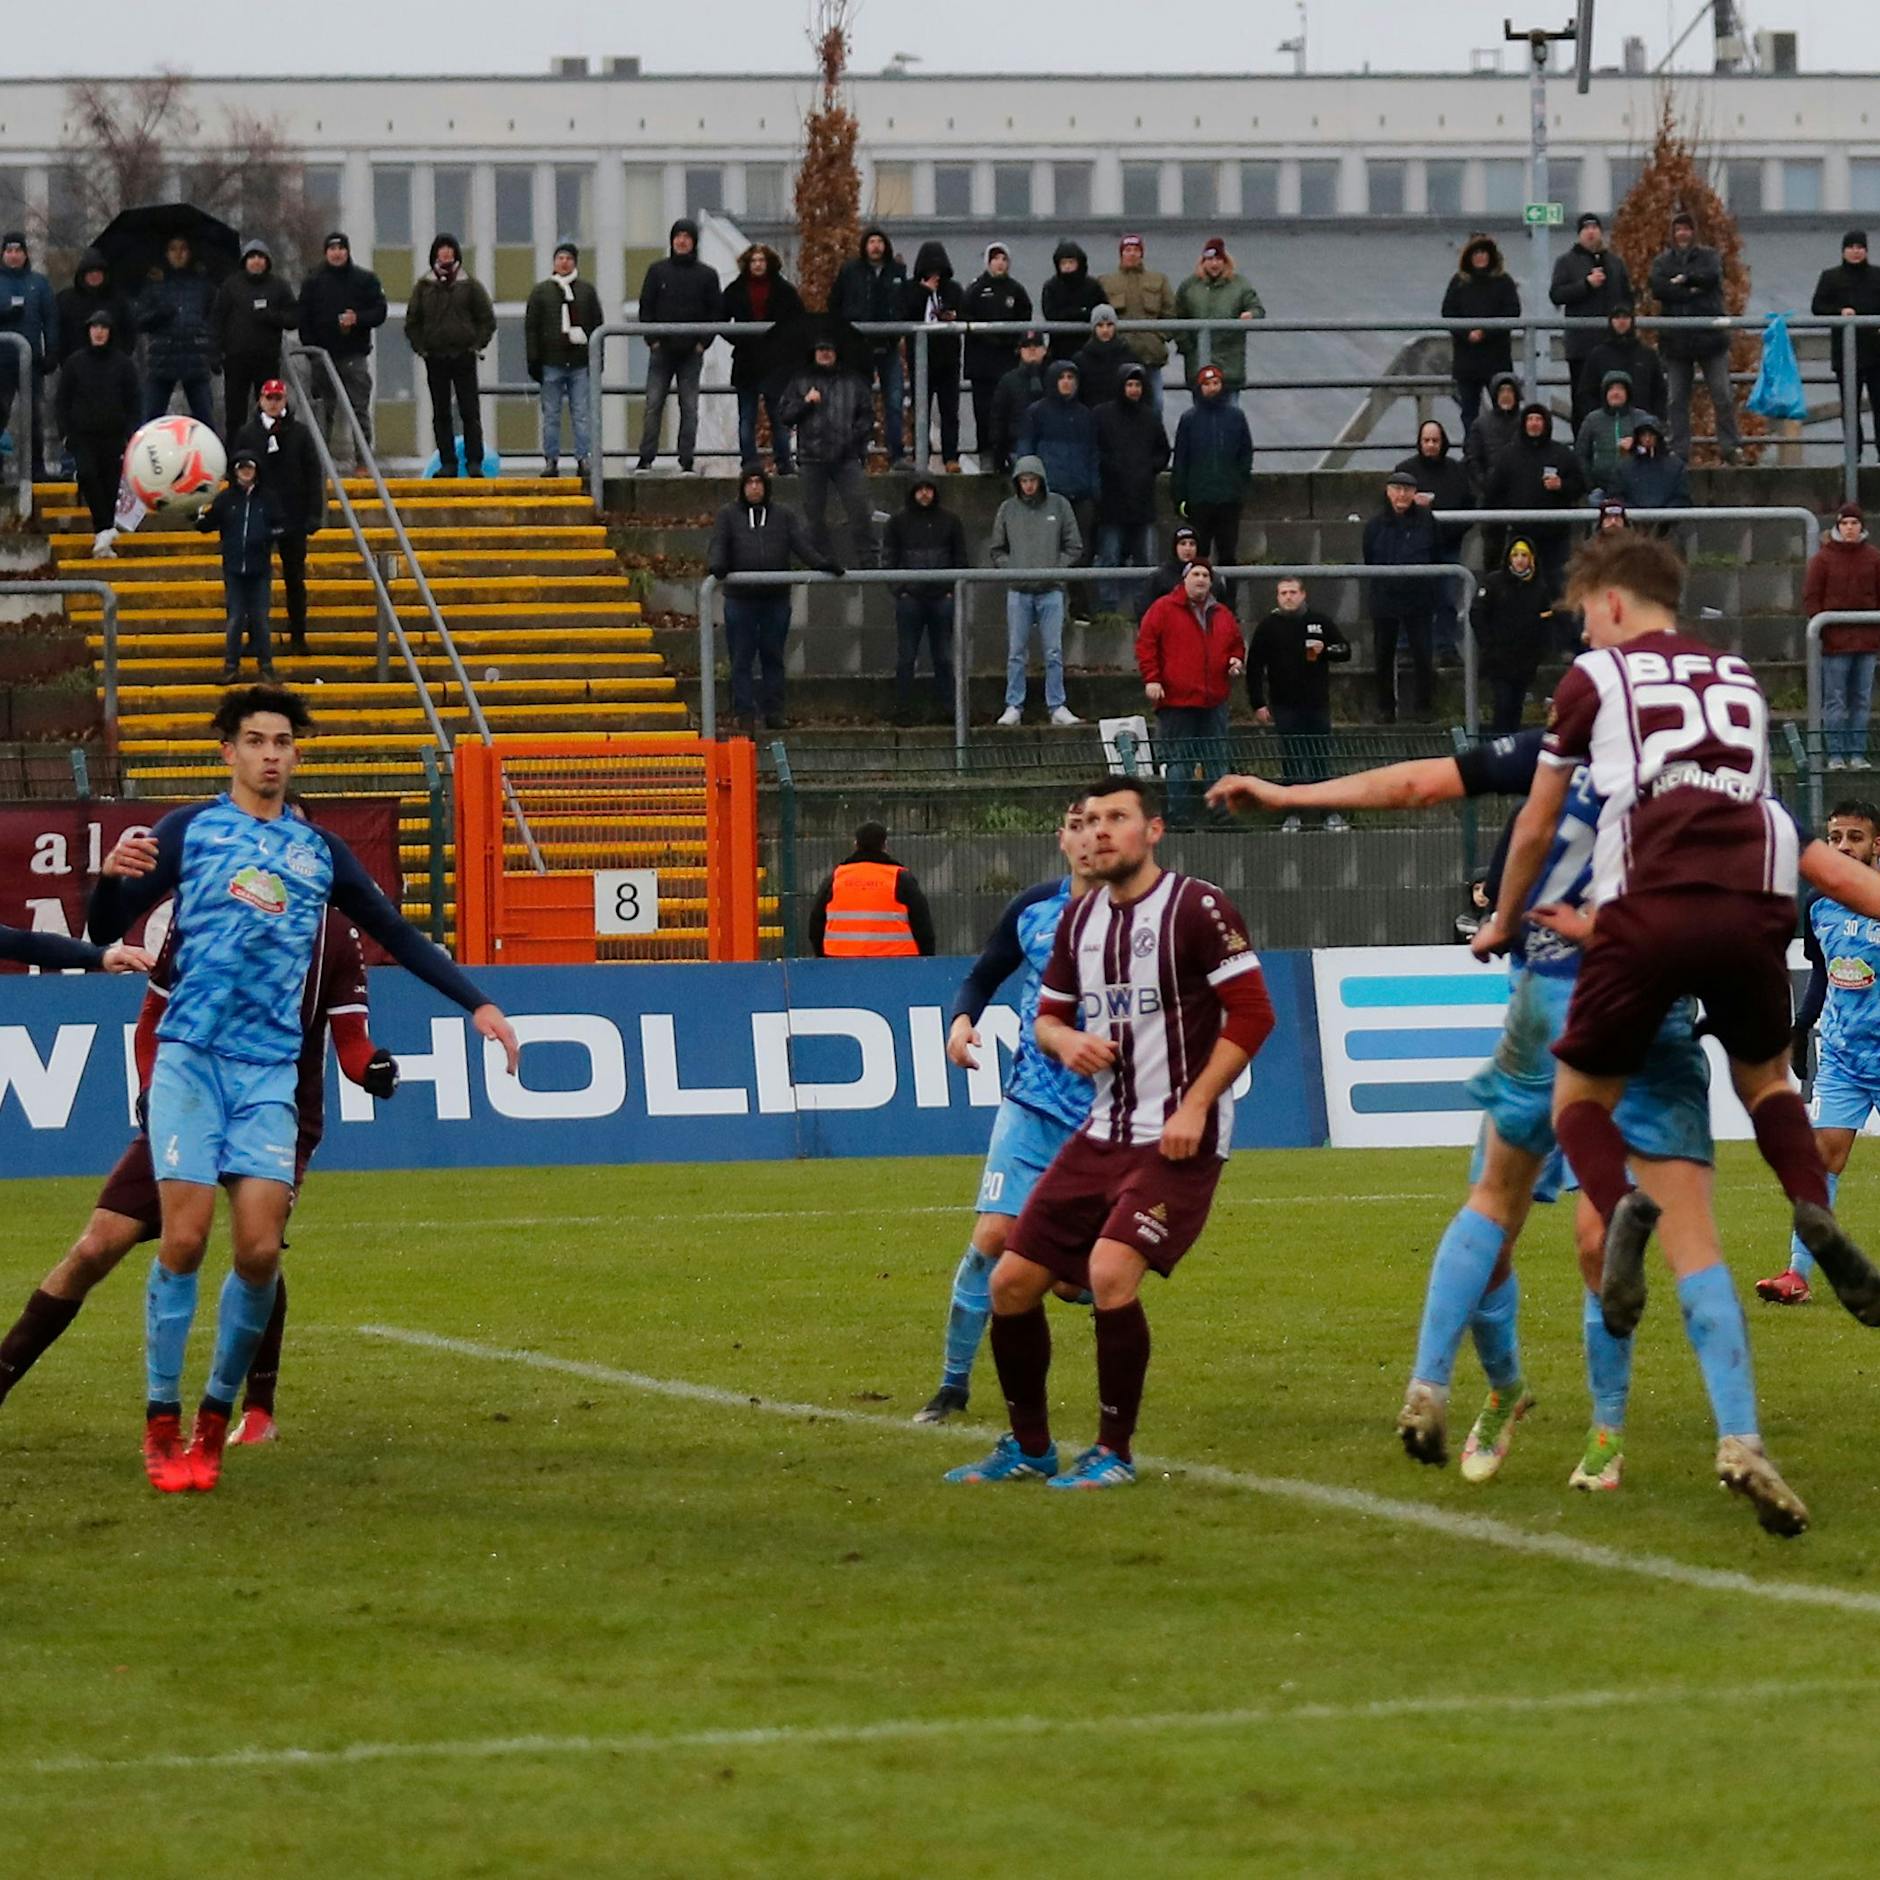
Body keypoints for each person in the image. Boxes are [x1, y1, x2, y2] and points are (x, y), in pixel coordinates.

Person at [1486, 534, 1880, 1527]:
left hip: (1649, 896)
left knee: (1579, 1094)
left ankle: (1618, 1204)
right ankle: (1808, 1205)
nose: (1582, 625)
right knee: (1765, 1079)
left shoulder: (1593, 677)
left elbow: (1538, 819)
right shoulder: (1739, 675)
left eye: (1584, 608)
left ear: (1613, 603)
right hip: (1753, 896)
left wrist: (1501, 909)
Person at [1210, 734, 1709, 1497]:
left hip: (1635, 1052)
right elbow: (1413, 782)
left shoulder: (1680, 803)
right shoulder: (1548, 783)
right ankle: (1507, 1391)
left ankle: (1608, 1430)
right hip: (1545, 1045)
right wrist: (1289, 795)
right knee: (1492, 1250)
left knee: (1596, 1244)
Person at [87, 684, 519, 1493]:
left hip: (268, 1074)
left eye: (283, 741)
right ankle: (160, 1423)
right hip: (190, 1059)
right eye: (255, 740)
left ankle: (217, 1419)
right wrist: (112, 880)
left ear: (296, 753)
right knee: (182, 1241)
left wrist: (480, 1002)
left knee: (256, 1250)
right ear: (229, 753)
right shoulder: (190, 831)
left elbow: (393, 931)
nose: (271, 754)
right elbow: (104, 929)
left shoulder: (318, 853)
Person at [942, 775, 1275, 1490]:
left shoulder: (1198, 906)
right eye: (1088, 820)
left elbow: (1253, 1015)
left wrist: (1195, 1105)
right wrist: (1063, 1043)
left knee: (1108, 1271)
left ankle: (1113, 1452)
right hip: (1103, 1130)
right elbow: (1049, 1015)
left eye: (1116, 818)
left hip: (1180, 1136)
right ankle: (1030, 1447)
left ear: (1152, 830)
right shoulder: (1079, 925)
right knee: (1011, 1281)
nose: (1098, 831)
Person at [0, 905, 395, 1442]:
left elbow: (351, 1038)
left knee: (258, 1249)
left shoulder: (332, 932)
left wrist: (371, 1067)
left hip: (277, 1110)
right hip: (191, 1101)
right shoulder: (207, 909)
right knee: (97, 1245)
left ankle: (256, 1411)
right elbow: (152, 1020)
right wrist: (148, 1087)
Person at [918, 801, 1097, 1423]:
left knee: (1075, 1280)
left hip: (1107, 1119)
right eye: (1075, 826)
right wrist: (961, 1019)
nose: (1087, 838)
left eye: (1099, 825)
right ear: (1062, 839)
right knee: (991, 1238)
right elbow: (984, 974)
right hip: (1032, 1104)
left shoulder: (1148, 916)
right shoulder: (1035, 908)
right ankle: (952, 1387)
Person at [1760, 801, 1880, 1306]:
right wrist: (1801, 1029)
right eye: (1835, 837)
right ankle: (1797, 1274)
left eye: (1856, 837)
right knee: (1821, 1160)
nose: (1844, 846)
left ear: (1878, 845)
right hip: (1844, 1057)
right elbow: (1823, 976)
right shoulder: (1818, 906)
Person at [705, 464, 841, 734]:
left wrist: (823, 563)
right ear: (742, 487)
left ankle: (774, 711)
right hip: (740, 599)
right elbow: (719, 543)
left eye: (759, 482)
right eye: (750, 482)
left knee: (773, 656)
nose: (755, 487)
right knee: (741, 658)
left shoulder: (783, 515)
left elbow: (800, 545)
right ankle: (744, 713)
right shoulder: (728, 515)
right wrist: (718, 565)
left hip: (775, 599)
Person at [1135, 561, 1245, 829]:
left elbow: (1236, 644)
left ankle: (1220, 815)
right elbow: (1146, 644)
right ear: (1184, 580)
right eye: (1195, 574)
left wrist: (1235, 660)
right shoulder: (1162, 609)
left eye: (1206, 575)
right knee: (1179, 760)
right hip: (1177, 699)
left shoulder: (1222, 613)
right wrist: (1152, 679)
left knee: (1216, 759)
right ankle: (1178, 815)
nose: (1201, 579)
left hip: (1213, 698)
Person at [1244, 576, 1351, 826]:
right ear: (1277, 597)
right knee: (1291, 760)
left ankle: (1327, 813)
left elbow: (1345, 650)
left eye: (1293, 592)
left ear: (1303, 595)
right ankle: (1292, 814)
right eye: (1283, 593)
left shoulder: (1319, 621)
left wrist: (1324, 651)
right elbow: (1255, 667)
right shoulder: (1269, 626)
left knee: (1320, 760)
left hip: (1316, 704)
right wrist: (1258, 702)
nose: (1288, 597)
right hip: (1284, 705)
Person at [232, 379, 327, 655]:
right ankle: (255, 637)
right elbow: (235, 470)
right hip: (258, 515)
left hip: (293, 515)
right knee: (253, 579)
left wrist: (313, 513)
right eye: (269, 398)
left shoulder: (299, 433)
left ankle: (298, 635)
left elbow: (313, 473)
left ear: (285, 400)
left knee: (294, 578)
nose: (273, 403)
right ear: (260, 400)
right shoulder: (248, 433)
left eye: (278, 398)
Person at [989, 455, 1082, 727]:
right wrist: (1013, 568)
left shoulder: (1060, 505)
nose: (1028, 486)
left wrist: (1055, 568)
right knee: (1016, 652)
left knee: (1053, 651)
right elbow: (996, 549)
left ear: (1041, 480)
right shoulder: (1007, 509)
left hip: (1051, 590)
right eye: (1024, 481)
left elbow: (1074, 545)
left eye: (1032, 480)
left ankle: (1057, 705)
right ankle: (1013, 704)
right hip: (1018, 590)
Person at [776, 334, 875, 570]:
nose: (825, 353)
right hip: (811, 457)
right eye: (821, 348)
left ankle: (871, 563)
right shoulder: (800, 381)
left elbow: (867, 416)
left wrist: (851, 438)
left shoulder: (853, 381)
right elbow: (785, 416)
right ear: (814, 352)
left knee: (860, 510)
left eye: (829, 348)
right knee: (813, 517)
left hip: (847, 457)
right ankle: (822, 562)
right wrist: (806, 402)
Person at [1649, 210, 1740, 463]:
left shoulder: (1710, 256)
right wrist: (1691, 291)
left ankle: (1730, 447)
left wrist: (1683, 281)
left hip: (1710, 340)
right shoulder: (1662, 261)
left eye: (1686, 229)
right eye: (1678, 229)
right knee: (1676, 399)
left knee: (1722, 395)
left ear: (1694, 232)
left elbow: (1710, 277)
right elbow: (1657, 287)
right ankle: (1679, 450)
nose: (1682, 234)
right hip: (1676, 342)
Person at [633, 218, 720, 473]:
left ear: (694, 242)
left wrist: (704, 342)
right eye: (677, 236)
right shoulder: (657, 271)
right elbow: (645, 306)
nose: (681, 241)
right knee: (653, 405)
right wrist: (653, 340)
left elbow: (716, 311)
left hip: (692, 353)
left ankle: (686, 460)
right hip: (662, 351)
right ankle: (645, 458)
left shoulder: (707, 275)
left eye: (686, 237)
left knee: (690, 408)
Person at [405, 234, 496, 478]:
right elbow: (412, 322)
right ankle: (448, 463)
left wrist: (476, 345)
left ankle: (474, 462)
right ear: (434, 255)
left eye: (450, 250)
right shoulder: (423, 287)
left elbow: (487, 319)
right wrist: (422, 348)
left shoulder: (470, 285)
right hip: (435, 358)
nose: (446, 254)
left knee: (469, 412)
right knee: (441, 413)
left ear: (456, 254)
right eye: (441, 250)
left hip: (464, 357)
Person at [295, 232, 387, 467]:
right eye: (332, 249)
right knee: (322, 411)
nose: (337, 253)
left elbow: (380, 312)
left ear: (347, 251)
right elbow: (302, 317)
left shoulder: (364, 280)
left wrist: (358, 319)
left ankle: (363, 462)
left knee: (359, 409)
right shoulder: (313, 282)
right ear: (326, 253)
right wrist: (311, 348)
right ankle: (320, 464)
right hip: (321, 357)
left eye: (341, 248)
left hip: (354, 356)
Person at [53, 309, 139, 557]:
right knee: (88, 476)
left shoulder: (123, 364)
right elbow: (62, 400)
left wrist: (131, 433)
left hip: (114, 436)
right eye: (95, 327)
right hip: (82, 435)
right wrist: (64, 433)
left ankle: (103, 538)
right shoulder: (75, 362)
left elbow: (133, 400)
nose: (99, 332)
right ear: (88, 331)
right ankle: (104, 529)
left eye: (104, 327)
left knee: (110, 486)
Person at [881, 474, 965, 724]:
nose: (925, 494)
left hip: (942, 597)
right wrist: (900, 590)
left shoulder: (950, 521)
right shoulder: (898, 522)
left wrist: (951, 588)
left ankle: (949, 710)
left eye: (929, 489)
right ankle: (903, 709)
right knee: (907, 657)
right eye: (920, 489)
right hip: (911, 599)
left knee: (944, 656)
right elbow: (888, 559)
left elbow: (961, 559)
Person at [1483, 402, 1587, 600]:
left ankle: (1560, 629)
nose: (1534, 424)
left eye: (1538, 419)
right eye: (1530, 419)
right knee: (1519, 590)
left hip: (1555, 537)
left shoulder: (1562, 454)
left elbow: (1580, 486)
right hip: (1521, 536)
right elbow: (1494, 492)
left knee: (1557, 589)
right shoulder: (1509, 455)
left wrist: (1561, 486)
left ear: (1546, 423)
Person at [197, 451, 283, 683]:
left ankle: (266, 667)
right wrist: (191, 511)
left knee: (260, 619)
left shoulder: (267, 498)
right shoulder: (226, 499)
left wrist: (264, 537)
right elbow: (208, 523)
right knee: (235, 618)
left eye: (249, 468)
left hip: (259, 567)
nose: (245, 472)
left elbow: (281, 525)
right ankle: (231, 666)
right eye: (241, 468)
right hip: (234, 568)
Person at [718, 244, 802, 478]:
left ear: (769, 263)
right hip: (746, 360)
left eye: (761, 260)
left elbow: (798, 321)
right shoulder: (734, 290)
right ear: (747, 263)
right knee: (747, 416)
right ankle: (749, 464)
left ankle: (784, 463)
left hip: (776, 363)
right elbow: (720, 320)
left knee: (779, 416)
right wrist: (740, 338)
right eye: (753, 260)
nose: (757, 264)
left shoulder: (784, 290)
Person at [1806, 503, 1880, 769]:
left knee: (1861, 699)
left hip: (1867, 643)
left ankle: (1857, 754)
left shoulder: (1874, 558)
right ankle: (1836, 754)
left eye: (1854, 523)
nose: (1850, 528)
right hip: (1836, 645)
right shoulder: (1823, 559)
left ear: (1862, 527)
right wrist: (1826, 631)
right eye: (1845, 523)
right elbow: (1812, 598)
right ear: (1838, 526)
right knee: (1835, 700)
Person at [1171, 362, 1252, 600]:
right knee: (1199, 554)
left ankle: (1230, 603)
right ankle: (1197, 599)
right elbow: (1181, 460)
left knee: (1228, 554)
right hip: (1200, 498)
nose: (1212, 388)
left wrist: (1240, 485)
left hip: (1229, 498)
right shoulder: (1189, 419)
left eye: (1215, 383)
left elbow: (1245, 453)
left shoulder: (1236, 417)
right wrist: (1180, 496)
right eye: (1207, 384)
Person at [1093, 364, 1169, 617]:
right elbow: (1095, 450)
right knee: (1110, 557)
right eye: (1129, 384)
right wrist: (1112, 468)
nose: (1134, 390)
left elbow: (1163, 451)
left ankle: (1143, 609)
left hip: (1142, 499)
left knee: (1144, 560)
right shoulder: (1102, 415)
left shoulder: (1150, 417)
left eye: (1137, 385)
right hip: (1111, 499)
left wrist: (1148, 469)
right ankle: (1107, 609)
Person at [1364, 470, 1440, 722]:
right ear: (1387, 492)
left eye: (1407, 490)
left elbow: (1435, 554)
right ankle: (1385, 707)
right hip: (1385, 598)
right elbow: (1369, 557)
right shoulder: (1375, 525)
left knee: (1423, 653)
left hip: (1418, 598)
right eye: (1396, 489)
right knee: (1383, 654)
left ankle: (1424, 706)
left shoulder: (1427, 521)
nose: (1401, 494)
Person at [1396, 418, 1473, 662]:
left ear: (1443, 442)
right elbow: (1390, 506)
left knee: (1447, 599)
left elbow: (1469, 507)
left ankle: (1445, 647)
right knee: (1410, 597)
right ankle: (1407, 646)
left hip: (1447, 544)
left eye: (1435, 440)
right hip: (1414, 547)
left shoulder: (1456, 471)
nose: (1430, 445)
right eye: (1426, 440)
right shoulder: (1405, 470)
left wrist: (1451, 529)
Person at [526, 240, 605, 480]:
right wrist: (534, 361)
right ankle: (551, 460)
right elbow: (532, 328)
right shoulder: (541, 292)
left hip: (580, 363)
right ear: (554, 262)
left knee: (581, 414)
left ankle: (583, 459)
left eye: (569, 258)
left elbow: (597, 325)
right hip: (551, 363)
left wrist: (597, 359)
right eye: (560, 258)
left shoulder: (586, 292)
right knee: (551, 415)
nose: (564, 262)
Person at [831, 226, 908, 464]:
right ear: (865, 245)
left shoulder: (897, 272)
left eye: (879, 241)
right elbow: (835, 303)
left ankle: (896, 455)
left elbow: (905, 304)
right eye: (871, 241)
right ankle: (857, 455)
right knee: (858, 405)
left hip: (889, 346)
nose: (876, 246)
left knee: (894, 403)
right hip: (858, 348)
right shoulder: (850, 270)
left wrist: (897, 327)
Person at [1017, 358, 1100, 578]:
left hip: (1080, 494)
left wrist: (1094, 488)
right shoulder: (1037, 412)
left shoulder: (1085, 414)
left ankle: (1077, 605)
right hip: (1049, 494)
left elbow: (1093, 454)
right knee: (1047, 548)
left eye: (1071, 378)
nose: (1066, 382)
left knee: (1081, 550)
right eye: (1062, 377)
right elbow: (1026, 453)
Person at [1550, 213, 1634, 429]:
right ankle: (1582, 449)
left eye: (1595, 227)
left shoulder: (1615, 262)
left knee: (1615, 397)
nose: (1591, 232)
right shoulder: (1566, 262)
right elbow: (1557, 295)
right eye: (1586, 228)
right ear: (1579, 234)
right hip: (1581, 346)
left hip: (1614, 345)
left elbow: (1628, 298)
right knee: (1582, 400)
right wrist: (1586, 285)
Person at [807, 820, 935, 957]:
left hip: (841, 963)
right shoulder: (900, 878)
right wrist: (926, 959)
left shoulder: (835, 878)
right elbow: (922, 925)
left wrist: (822, 957)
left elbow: (816, 924)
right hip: (897, 964)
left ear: (855, 844)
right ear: (885, 845)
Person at [212, 239, 297, 430]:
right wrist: (214, 352)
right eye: (252, 257)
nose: (256, 261)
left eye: (260, 257)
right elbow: (217, 319)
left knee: (269, 412)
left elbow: (293, 318)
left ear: (267, 261)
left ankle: (270, 451)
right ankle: (234, 453)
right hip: (236, 359)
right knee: (235, 413)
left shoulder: (279, 286)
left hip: (267, 359)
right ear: (245, 261)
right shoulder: (231, 285)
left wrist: (272, 317)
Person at [1440, 234, 1520, 435]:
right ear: (1468, 257)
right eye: (1476, 253)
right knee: (1469, 414)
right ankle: (1472, 455)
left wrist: (1485, 332)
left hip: (1497, 359)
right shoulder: (1458, 282)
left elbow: (1512, 312)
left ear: (1492, 256)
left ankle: (1502, 456)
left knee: (1504, 411)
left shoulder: (1504, 282)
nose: (1480, 257)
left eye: (1484, 252)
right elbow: (1448, 313)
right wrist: (1467, 334)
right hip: (1467, 362)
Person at [135, 233, 216, 427]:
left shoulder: (202, 285)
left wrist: (212, 347)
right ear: (166, 254)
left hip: (195, 359)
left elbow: (214, 317)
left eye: (183, 249)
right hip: (162, 360)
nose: (178, 254)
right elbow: (139, 320)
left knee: (206, 420)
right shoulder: (153, 285)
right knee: (150, 422)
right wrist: (159, 314)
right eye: (173, 249)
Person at [1813, 230, 1880, 462]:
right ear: (1843, 250)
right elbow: (1817, 307)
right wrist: (1839, 313)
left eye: (1860, 247)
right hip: (1846, 354)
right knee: (1849, 408)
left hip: (1876, 353)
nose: (1855, 251)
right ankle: (1854, 454)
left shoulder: (1877, 276)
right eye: (1851, 247)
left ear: (1866, 250)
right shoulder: (1831, 277)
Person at [962, 243, 1031, 470]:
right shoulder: (976, 289)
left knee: (1009, 410)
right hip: (982, 364)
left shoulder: (1016, 290)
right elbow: (966, 317)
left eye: (1003, 259)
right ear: (988, 262)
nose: (1000, 263)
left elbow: (1025, 318)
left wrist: (1012, 342)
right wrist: (988, 337)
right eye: (995, 259)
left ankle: (1008, 454)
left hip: (1007, 361)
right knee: (984, 411)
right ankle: (987, 454)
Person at [1474, 539, 1554, 734]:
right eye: (1515, 555)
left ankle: (1511, 748)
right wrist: (1488, 644)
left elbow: (1545, 622)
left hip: (1525, 660)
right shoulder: (1493, 582)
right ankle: (1498, 748)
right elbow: (1477, 613)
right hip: (1498, 659)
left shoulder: (1539, 587)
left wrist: (1539, 652)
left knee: (1516, 706)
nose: (1519, 560)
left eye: (1524, 555)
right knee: (1503, 704)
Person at [900, 240, 964, 472]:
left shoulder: (954, 289)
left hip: (948, 358)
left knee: (950, 410)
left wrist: (953, 315)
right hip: (921, 360)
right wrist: (923, 291)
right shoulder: (910, 289)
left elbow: (964, 313)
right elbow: (905, 314)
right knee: (920, 409)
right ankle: (920, 454)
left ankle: (951, 457)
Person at [1173, 237, 1264, 401]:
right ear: (1203, 261)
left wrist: (1251, 314)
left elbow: (1257, 308)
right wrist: (1187, 346)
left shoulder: (1240, 285)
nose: (1214, 264)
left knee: (1231, 416)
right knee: (1201, 417)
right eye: (1209, 259)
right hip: (1199, 365)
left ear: (1225, 261)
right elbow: (1176, 317)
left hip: (1230, 365)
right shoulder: (1189, 286)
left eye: (1218, 259)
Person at [0, 231, 58, 479]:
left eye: (18, 251)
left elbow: (51, 319)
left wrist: (52, 351)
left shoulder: (39, 283)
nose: (14, 256)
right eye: (9, 251)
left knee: (35, 416)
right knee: (0, 414)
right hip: (2, 362)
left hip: (31, 362)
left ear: (25, 254)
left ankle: (37, 467)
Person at [1100, 234, 1175, 414]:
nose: (1132, 254)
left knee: (1156, 404)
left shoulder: (1159, 279)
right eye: (1128, 250)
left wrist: (1159, 337)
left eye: (1136, 250)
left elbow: (1170, 312)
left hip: (1151, 354)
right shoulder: (1106, 281)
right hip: (1119, 355)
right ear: (1121, 254)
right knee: (1118, 405)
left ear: (1142, 254)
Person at [1579, 305, 1668, 432]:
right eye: (1617, 317)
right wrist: (1596, 420)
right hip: (1607, 426)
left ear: (1632, 320)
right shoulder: (1598, 355)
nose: (1621, 321)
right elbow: (1586, 392)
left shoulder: (1647, 354)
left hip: (1643, 426)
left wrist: (1657, 420)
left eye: (1625, 317)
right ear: (1611, 321)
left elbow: (1659, 391)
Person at [53, 247, 134, 372]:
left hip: (112, 368)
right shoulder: (66, 299)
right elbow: (58, 331)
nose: (94, 275)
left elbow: (129, 329)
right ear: (82, 275)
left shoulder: (118, 299)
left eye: (98, 272)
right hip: (75, 367)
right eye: (90, 272)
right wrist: (62, 359)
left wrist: (122, 357)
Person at [1574, 369, 1652, 496]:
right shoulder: (1592, 419)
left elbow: (1654, 450)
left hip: (1636, 489)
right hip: (1601, 489)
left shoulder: (1641, 418)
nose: (1615, 393)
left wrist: (1635, 447)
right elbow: (1581, 454)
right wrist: (1590, 486)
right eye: (1611, 389)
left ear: (1628, 393)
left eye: (1620, 389)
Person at [986, 328, 1049, 478]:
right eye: (1027, 346)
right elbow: (998, 419)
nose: (1032, 350)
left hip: (1048, 448)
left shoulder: (1054, 378)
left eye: (1036, 346)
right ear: (1020, 350)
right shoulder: (1008, 381)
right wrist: (999, 457)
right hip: (1017, 447)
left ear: (1045, 350)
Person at [1463, 371, 1524, 506]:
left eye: (1510, 391)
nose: (1506, 396)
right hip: (1490, 494)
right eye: (1502, 391)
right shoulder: (1480, 424)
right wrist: (1484, 483)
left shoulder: (1527, 421)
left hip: (1523, 491)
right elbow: (1472, 458)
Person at [1039, 238, 1105, 362]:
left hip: (1089, 348)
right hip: (1059, 349)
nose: (1068, 267)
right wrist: (1081, 312)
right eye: (1063, 263)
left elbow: (1102, 312)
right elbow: (1051, 314)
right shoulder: (1051, 287)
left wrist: (1070, 313)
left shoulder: (1092, 286)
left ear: (1079, 262)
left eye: (1071, 262)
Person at [1616, 415, 1691, 518]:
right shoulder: (1624, 467)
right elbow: (1617, 496)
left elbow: (1682, 497)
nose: (1647, 439)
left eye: (1651, 435)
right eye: (1643, 435)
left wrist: (1664, 516)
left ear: (1658, 437)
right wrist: (1633, 514)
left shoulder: (1675, 466)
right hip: (1632, 523)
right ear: (1638, 438)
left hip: (1668, 524)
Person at [1073, 305, 1134, 408]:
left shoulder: (1129, 357)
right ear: (1093, 328)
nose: (1105, 330)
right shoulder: (1081, 360)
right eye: (1100, 325)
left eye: (1109, 325)